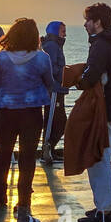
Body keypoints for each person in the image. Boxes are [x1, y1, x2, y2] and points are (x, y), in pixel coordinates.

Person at [0, 18, 54, 222]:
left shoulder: (1, 58)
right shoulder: (42, 58)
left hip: (7, 115)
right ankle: (24, 214)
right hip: (32, 115)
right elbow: (50, 83)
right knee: (27, 163)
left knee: (1, 161)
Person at [74, 3, 111, 222]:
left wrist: (78, 80)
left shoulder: (101, 45)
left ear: (98, 22)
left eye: (88, 20)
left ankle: (105, 212)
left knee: (97, 160)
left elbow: (90, 76)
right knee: (101, 158)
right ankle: (103, 207)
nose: (85, 24)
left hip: (103, 111)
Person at [40, 21, 67, 165]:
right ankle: (48, 149)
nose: (65, 34)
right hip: (54, 90)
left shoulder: (54, 45)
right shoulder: (52, 46)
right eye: (63, 31)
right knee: (58, 121)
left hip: (57, 89)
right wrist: (65, 73)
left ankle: (50, 149)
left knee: (55, 121)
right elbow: (50, 67)